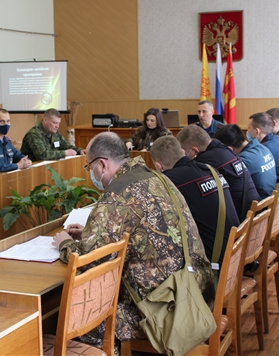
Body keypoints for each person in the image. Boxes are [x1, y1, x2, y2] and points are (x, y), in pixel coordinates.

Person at [52, 131, 213, 349]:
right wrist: (90, 234)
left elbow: (89, 261)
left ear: (102, 164)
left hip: (164, 311)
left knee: (80, 319)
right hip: (195, 291)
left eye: (89, 167)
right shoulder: (157, 177)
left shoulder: (118, 194)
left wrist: (65, 243)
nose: (91, 173)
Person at [150, 136, 240, 262]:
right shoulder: (210, 169)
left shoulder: (169, 182)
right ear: (182, 151)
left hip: (215, 262)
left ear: (158, 166)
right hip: (237, 249)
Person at [177, 125, 260, 222]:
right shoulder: (223, 149)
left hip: (243, 225)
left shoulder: (205, 162)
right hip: (255, 216)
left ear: (195, 151)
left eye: (184, 152)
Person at [214, 124, 277, 200]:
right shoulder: (262, 147)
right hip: (271, 201)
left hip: (260, 206)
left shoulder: (242, 161)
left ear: (229, 149)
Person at [248, 112, 279, 184]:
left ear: (257, 131)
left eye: (249, 128)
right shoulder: (277, 139)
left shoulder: (266, 148)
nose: (247, 131)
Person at [20, 108, 85, 161]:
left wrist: (79, 151)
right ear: (45, 120)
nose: (57, 126)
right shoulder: (34, 134)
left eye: (58, 123)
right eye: (54, 123)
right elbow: (43, 155)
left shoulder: (54, 131)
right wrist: (65, 153)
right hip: (33, 169)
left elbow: (65, 145)